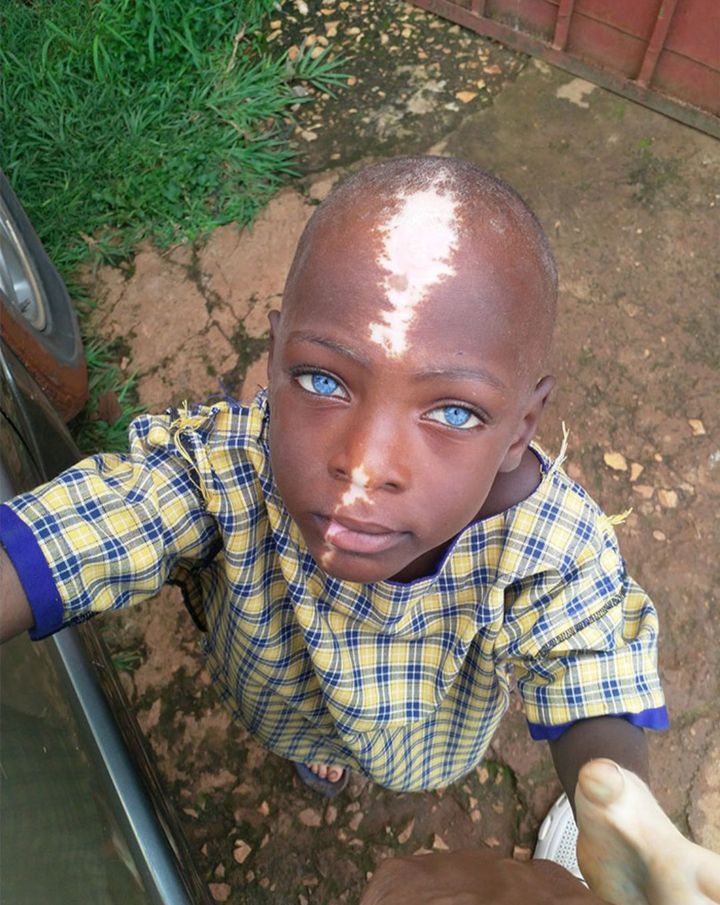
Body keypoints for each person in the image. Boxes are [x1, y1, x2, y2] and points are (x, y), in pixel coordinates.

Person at [1, 157, 717, 903]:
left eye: (453, 412)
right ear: (274, 357)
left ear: (521, 427)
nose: (365, 467)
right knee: (307, 735)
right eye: (323, 380)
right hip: (284, 701)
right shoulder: (226, 470)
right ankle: (323, 754)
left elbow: (591, 663)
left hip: (429, 740)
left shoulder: (546, 544)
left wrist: (620, 809)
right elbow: (101, 520)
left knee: (409, 766)